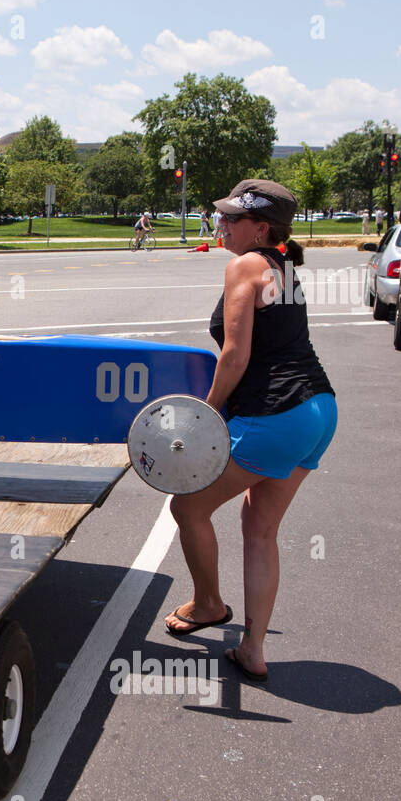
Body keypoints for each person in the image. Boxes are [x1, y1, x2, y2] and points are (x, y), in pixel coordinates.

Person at [164, 179, 337, 683]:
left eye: (232, 219)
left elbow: (235, 354)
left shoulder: (245, 264)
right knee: (260, 529)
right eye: (222, 216)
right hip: (318, 410)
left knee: (187, 506)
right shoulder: (286, 268)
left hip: (276, 414)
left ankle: (208, 605)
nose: (222, 224)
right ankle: (252, 649)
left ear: (261, 229)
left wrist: (206, 414)